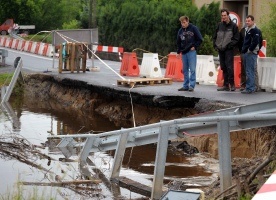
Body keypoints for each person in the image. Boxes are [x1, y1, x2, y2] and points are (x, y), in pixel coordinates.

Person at [213, 8, 240, 91]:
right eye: (222, 16)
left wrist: (229, 46)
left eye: (225, 15)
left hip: (228, 50)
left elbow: (236, 38)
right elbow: (215, 36)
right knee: (223, 67)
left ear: (228, 15)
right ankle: (225, 85)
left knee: (229, 67)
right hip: (221, 50)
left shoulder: (233, 26)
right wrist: (215, 45)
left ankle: (232, 84)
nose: (223, 17)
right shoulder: (219, 25)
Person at [177, 16, 203, 92]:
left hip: (191, 51)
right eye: (181, 23)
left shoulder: (193, 28)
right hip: (184, 52)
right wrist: (178, 52)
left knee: (192, 69)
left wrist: (195, 46)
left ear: (187, 21)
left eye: (184, 22)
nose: (183, 24)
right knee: (185, 70)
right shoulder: (180, 31)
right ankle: (185, 85)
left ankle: (191, 86)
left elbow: (200, 39)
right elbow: (178, 42)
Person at [239, 24, 263, 92]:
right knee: (248, 71)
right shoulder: (245, 30)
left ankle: (252, 87)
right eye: (246, 21)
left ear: (252, 21)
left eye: (249, 21)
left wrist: (250, 50)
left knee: (251, 71)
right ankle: (250, 87)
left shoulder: (256, 30)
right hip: (245, 52)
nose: (247, 22)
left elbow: (257, 42)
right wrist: (242, 50)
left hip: (251, 53)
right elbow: (241, 41)